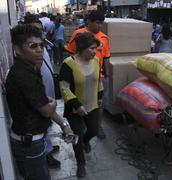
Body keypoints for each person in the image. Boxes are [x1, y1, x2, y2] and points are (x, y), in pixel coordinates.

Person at [6, 24, 74, 180]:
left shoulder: (29, 69)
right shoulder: (24, 75)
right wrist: (53, 104)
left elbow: (44, 105)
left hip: (33, 140)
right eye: (33, 46)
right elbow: (46, 110)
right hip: (30, 144)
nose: (39, 50)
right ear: (17, 49)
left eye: (41, 45)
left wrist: (64, 125)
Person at [60, 32, 104, 178]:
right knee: (76, 137)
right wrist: (77, 105)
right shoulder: (68, 64)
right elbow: (64, 88)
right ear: (81, 48)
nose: (94, 52)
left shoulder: (97, 61)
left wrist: (100, 98)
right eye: (91, 48)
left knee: (93, 130)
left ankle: (86, 141)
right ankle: (81, 163)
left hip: (93, 106)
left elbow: (98, 82)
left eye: (95, 49)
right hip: (75, 110)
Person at [23, 13, 62, 168]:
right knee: (42, 123)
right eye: (35, 30)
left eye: (41, 30)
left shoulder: (41, 45)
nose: (40, 33)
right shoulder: (29, 51)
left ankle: (49, 147)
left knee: (46, 124)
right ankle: (46, 154)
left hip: (48, 92)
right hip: (41, 95)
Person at [66, 10, 109, 139]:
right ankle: (81, 125)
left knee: (99, 104)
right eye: (97, 23)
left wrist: (107, 76)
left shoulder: (104, 38)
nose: (99, 26)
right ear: (89, 22)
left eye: (101, 23)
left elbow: (106, 58)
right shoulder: (78, 34)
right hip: (80, 77)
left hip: (98, 77)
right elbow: (71, 55)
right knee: (80, 102)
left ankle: (97, 126)